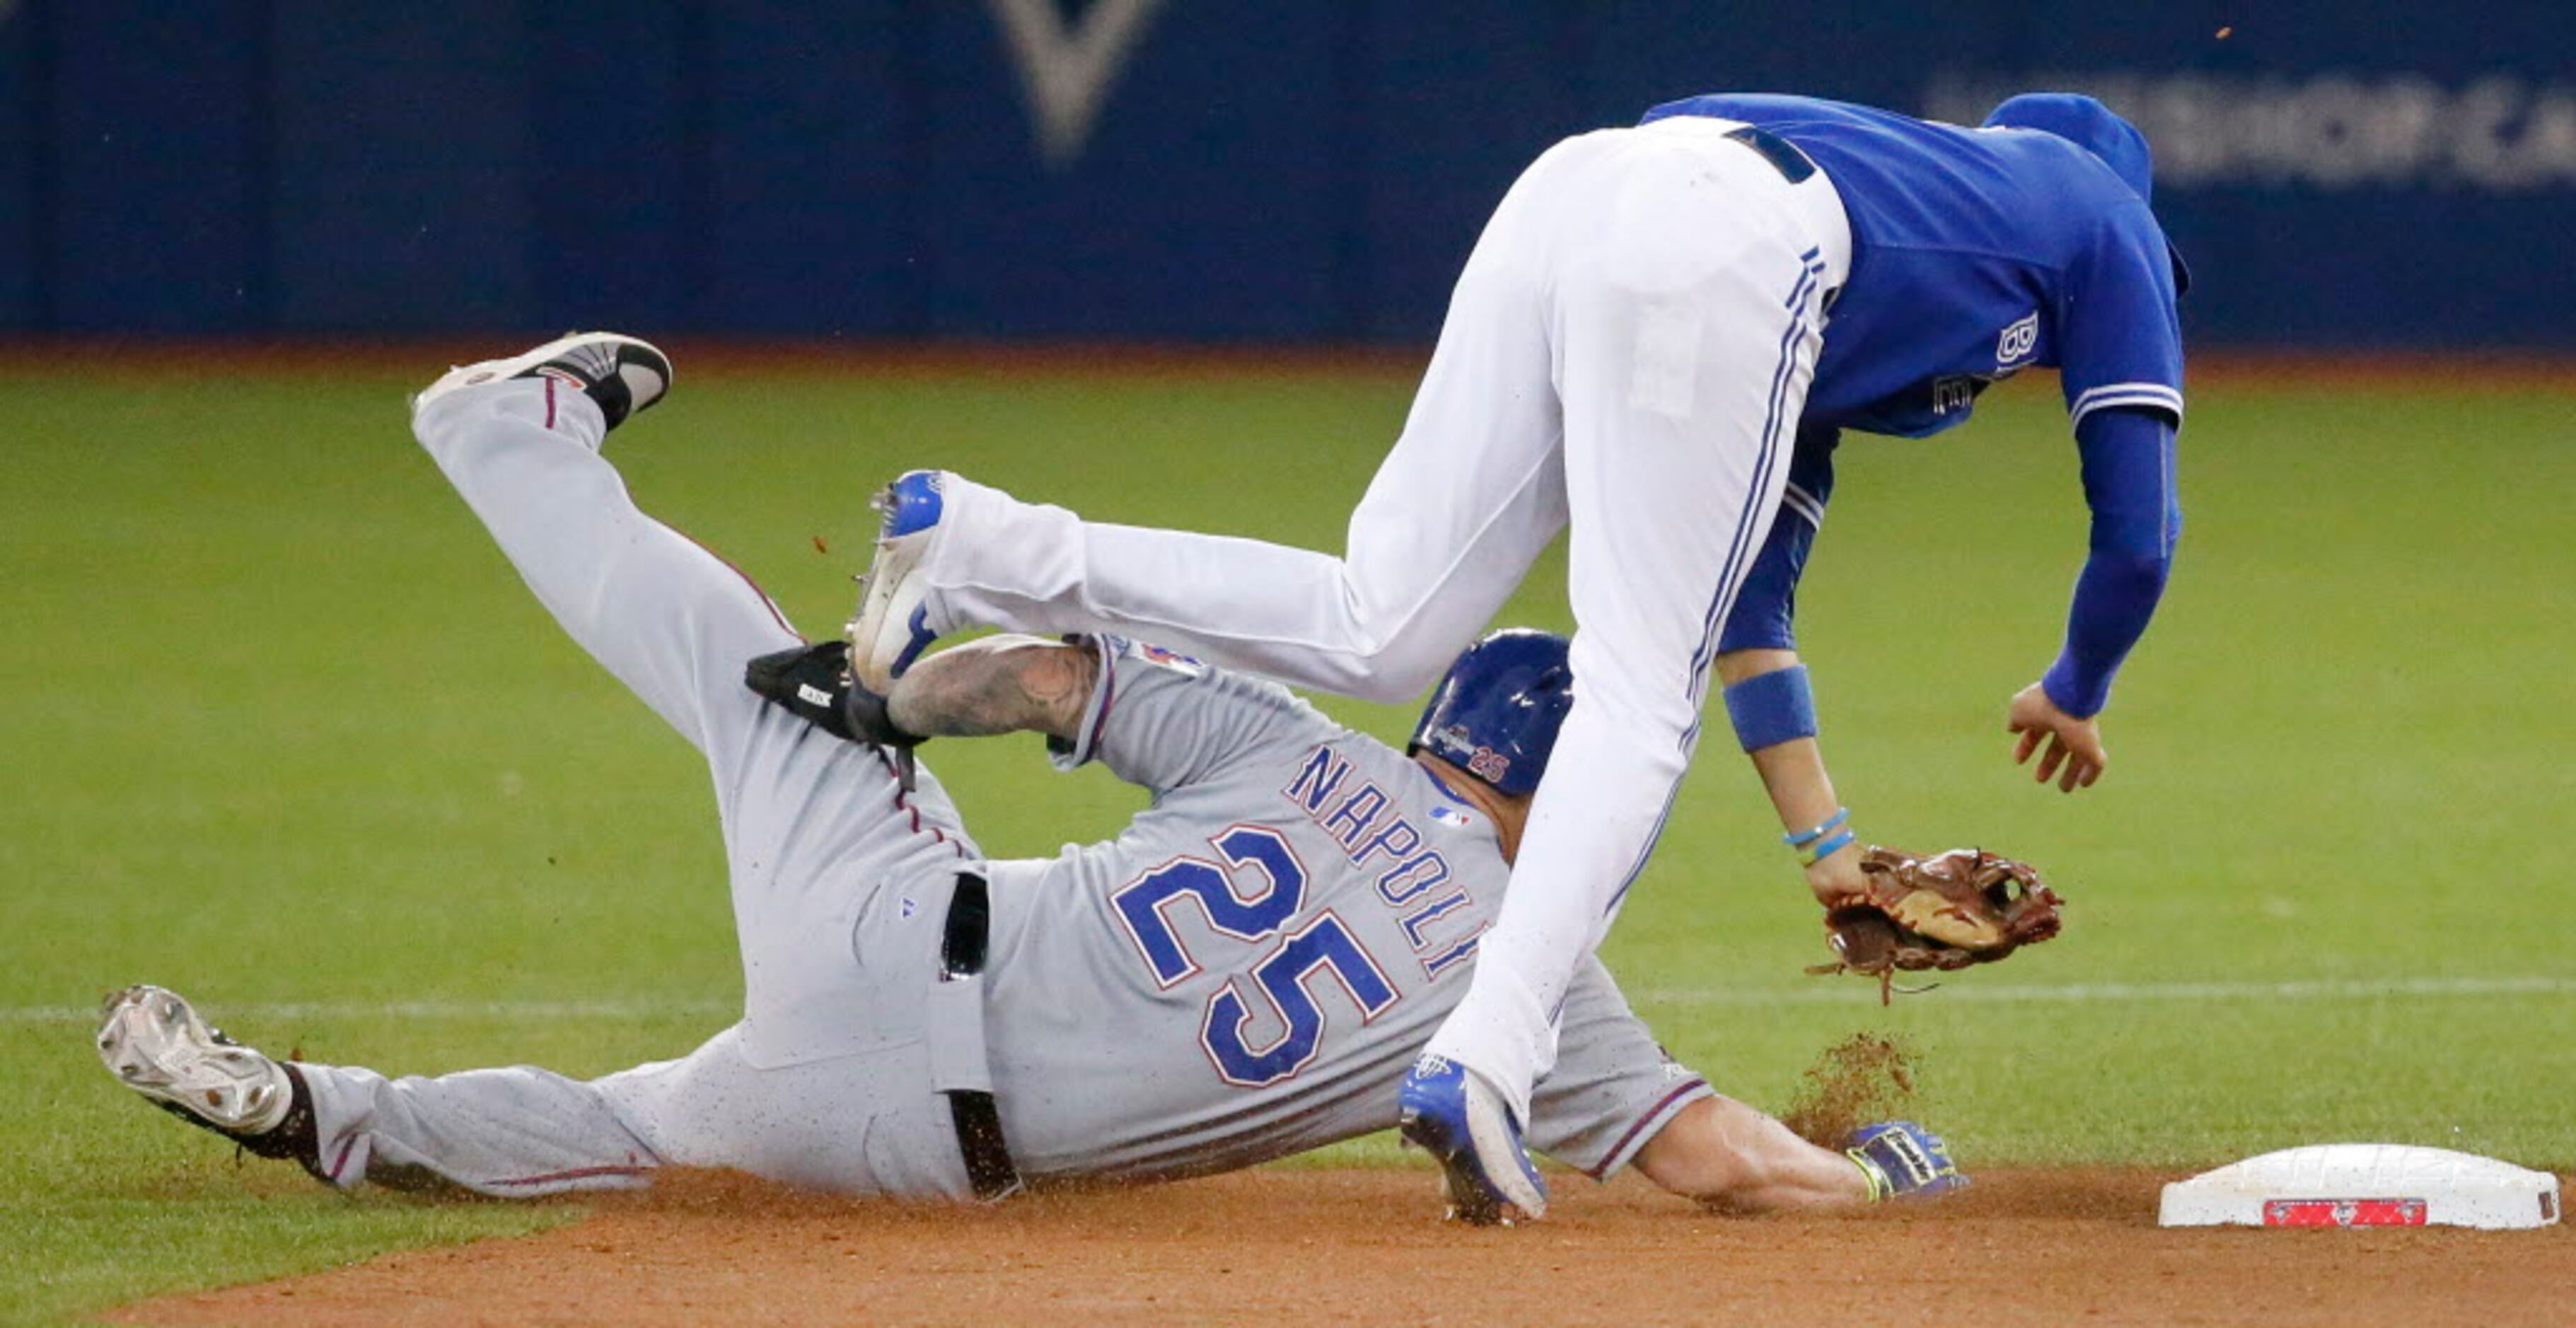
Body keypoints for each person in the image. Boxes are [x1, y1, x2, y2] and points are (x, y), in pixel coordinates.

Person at [95, 335, 1963, 1221]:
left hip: (893, 931)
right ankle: (329, 1109)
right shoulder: (1536, 995)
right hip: (917, 1152)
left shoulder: (1294, 739)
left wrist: (891, 692)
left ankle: (513, 437)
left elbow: (1045, 676)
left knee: (760, 678)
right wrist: (1871, 1177)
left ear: (1442, 726)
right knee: (644, 1127)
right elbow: (1723, 1157)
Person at [841, 92, 2186, 1221]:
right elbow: (2137, 535)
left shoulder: (1899, 255)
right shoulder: (2099, 212)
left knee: (1384, 620)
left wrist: (1822, 845)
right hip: (1723, 234)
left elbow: (1748, 615)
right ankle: (1485, 1057)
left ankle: (980, 540)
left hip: (1578, 189)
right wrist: (2074, 687)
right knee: (1632, 693)